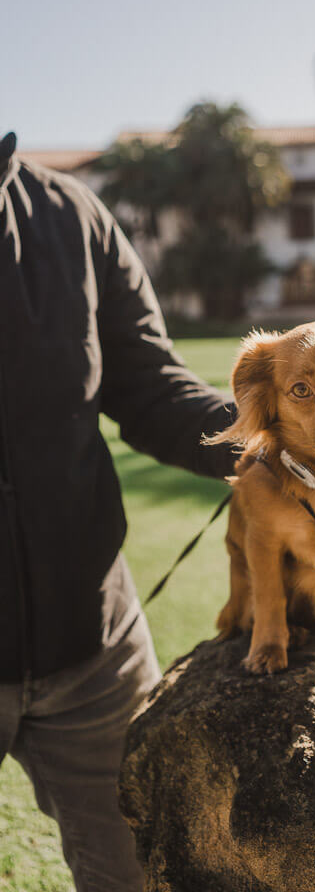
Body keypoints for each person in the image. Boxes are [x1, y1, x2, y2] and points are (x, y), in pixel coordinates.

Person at [0, 131, 239, 891]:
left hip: (95, 651)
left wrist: (262, 439)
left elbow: (148, 384)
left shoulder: (71, 213)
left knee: (138, 873)